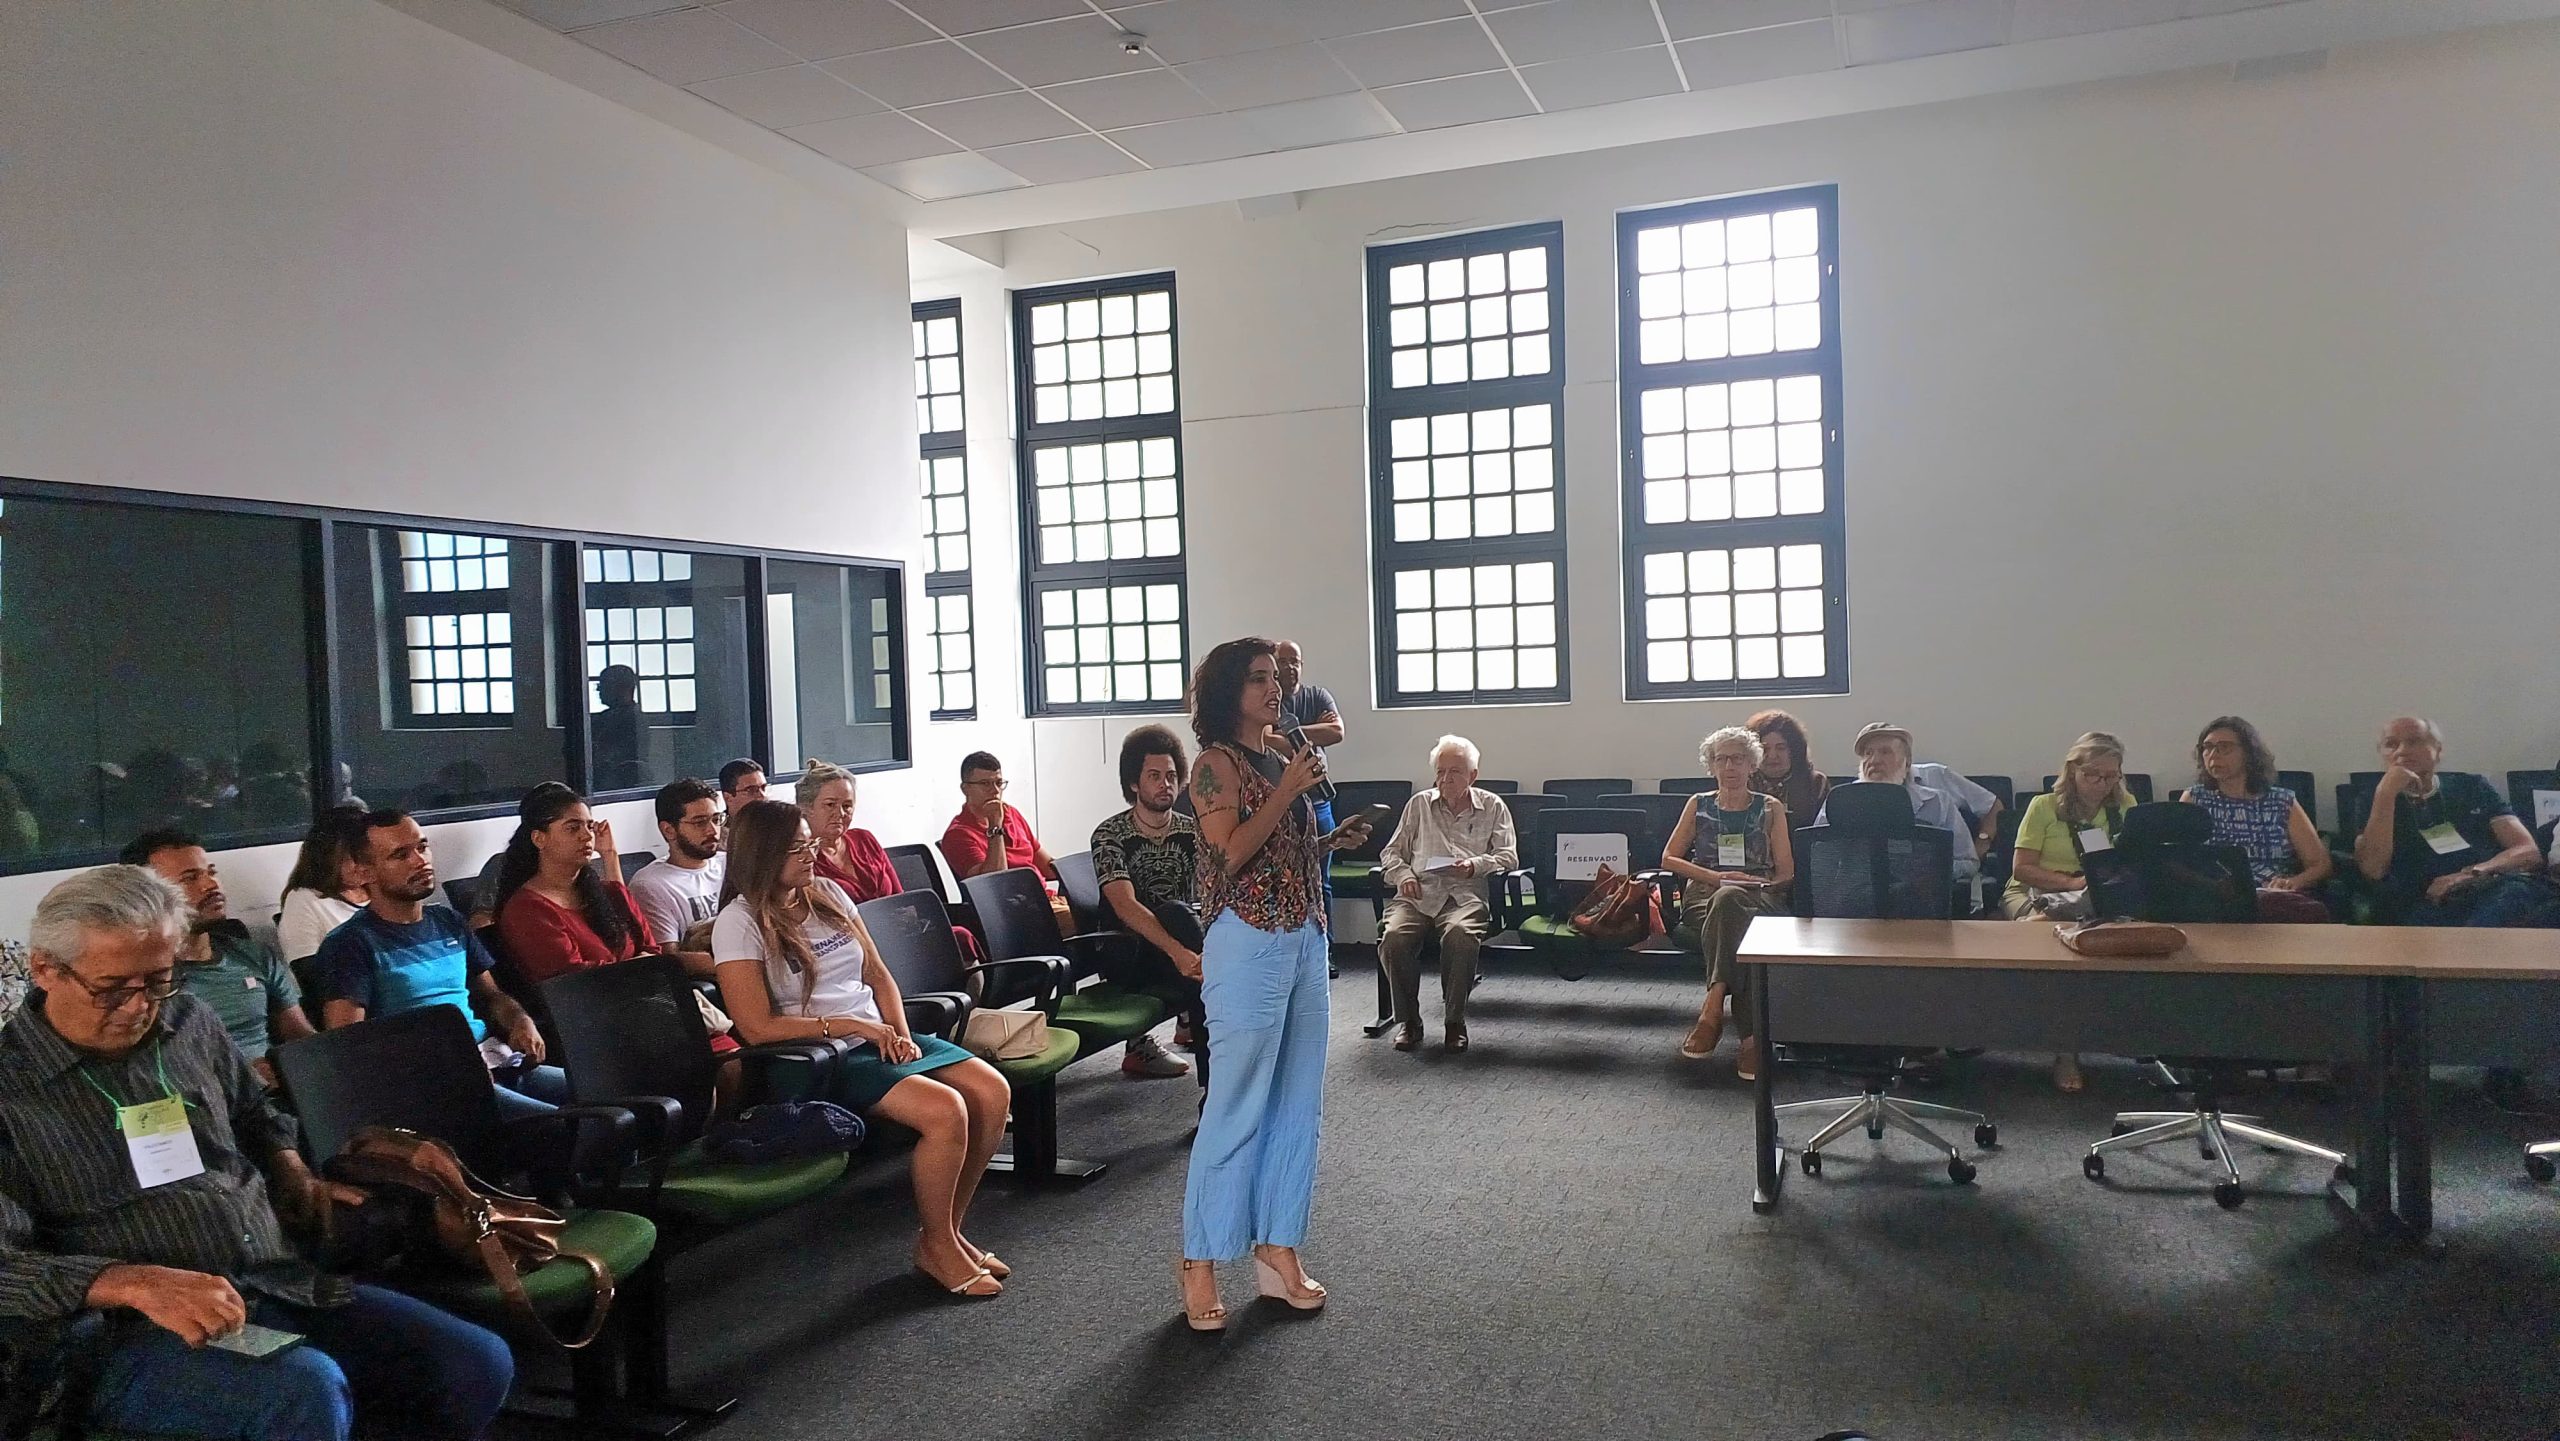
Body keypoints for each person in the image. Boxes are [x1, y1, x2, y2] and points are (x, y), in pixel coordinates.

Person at [0, 865, 514, 1441]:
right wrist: (131, 1282)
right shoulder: (10, 1088)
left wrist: (289, 1165)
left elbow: (253, 1111)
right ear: (45, 969)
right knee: (303, 1392)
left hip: (269, 1279)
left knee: (474, 1364)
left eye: (159, 980)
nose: (139, 1006)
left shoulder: (187, 1022)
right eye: (112, 988)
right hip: (123, 1334)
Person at [711, 800, 1011, 1297]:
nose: (811, 854)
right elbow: (757, 1027)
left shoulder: (828, 894)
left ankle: (946, 1234)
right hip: (814, 1058)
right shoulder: (738, 922)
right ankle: (939, 1246)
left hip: (872, 1038)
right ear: (762, 854)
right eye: (796, 847)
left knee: (992, 1091)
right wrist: (853, 1026)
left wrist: (899, 1032)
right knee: (946, 1110)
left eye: (810, 843)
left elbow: (877, 973)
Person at [1175, 637, 1374, 1332]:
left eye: (1276, 679)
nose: (1275, 689)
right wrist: (1288, 789)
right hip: (1246, 941)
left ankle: (1276, 1245)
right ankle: (1200, 1258)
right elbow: (1230, 853)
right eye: (1259, 679)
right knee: (1236, 1102)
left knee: (1297, 1102)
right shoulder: (1214, 765)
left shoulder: (1283, 749)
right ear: (1229, 691)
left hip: (1304, 935)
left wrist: (1326, 842)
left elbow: (1278, 849)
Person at [309, 811, 566, 1118]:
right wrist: (446, 1068)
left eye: (422, 847)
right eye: (400, 855)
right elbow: (348, 1044)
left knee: (605, 1097)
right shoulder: (350, 944)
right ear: (365, 872)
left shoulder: (448, 922)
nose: (420, 861)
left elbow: (492, 995)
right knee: (569, 1125)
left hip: (496, 1059)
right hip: (436, 1085)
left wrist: (520, 1020)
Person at [119, 830, 315, 1086]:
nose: (211, 885)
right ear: (147, 896)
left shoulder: (252, 956)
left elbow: (300, 1036)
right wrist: (241, 1077)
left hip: (280, 1091)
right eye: (190, 878)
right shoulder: (143, 982)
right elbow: (145, 1069)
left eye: (211, 872)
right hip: (201, 1094)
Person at [2002, 733, 2137, 1092]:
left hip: (2095, 895)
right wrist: (2072, 883)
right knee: (2059, 940)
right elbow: (2022, 869)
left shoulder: (2125, 807)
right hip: (2037, 891)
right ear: (2072, 770)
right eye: (2093, 774)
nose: (2102, 784)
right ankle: (2065, 1052)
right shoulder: (2044, 806)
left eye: (2111, 776)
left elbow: (2131, 860)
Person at [1375, 735, 1517, 1054]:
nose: (1445, 779)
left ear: (1473, 775)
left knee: (1460, 935)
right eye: (1440, 771)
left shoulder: (1493, 806)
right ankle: (1409, 1022)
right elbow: (1391, 853)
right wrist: (1403, 875)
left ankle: (1454, 1022)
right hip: (1418, 894)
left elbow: (1508, 856)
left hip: (1466, 896)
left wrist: (1474, 865)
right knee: (1394, 938)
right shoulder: (1419, 804)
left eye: (1454, 771)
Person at [1667, 727, 1795, 1079]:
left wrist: (1755, 884)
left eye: (1737, 758)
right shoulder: (1698, 804)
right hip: (1705, 896)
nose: (1729, 766)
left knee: (1732, 905)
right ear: (1710, 766)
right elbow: (1669, 858)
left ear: (1752, 764)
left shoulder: (1770, 808)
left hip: (1761, 898)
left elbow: (1786, 873)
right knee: (1729, 907)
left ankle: (1712, 1009)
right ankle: (1751, 1040)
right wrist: (1717, 878)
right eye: (1720, 759)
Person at [1088, 725, 1203, 1082]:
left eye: (1171, 776)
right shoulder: (1109, 834)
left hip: (1183, 947)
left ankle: (1214, 1076)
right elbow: (1124, 906)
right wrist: (1180, 953)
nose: (1165, 784)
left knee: (1194, 923)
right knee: (1177, 915)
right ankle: (1217, 1072)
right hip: (1128, 951)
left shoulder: (1191, 830)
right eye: (1154, 776)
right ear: (1134, 783)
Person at [2354, 716, 2548, 926]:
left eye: (2413, 741)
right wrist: (2386, 793)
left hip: (2486, 888)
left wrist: (2472, 873)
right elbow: (2373, 869)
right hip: (2422, 901)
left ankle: (2468, 944)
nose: (2401, 751)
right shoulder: (2372, 799)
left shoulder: (2472, 787)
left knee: (2517, 893)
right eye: (2391, 744)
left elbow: (2528, 850)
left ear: (2438, 751)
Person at [490, 784, 659, 985]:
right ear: (539, 839)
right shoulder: (526, 909)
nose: (587, 836)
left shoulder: (611, 892)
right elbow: (574, 980)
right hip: (591, 1003)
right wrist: (641, 968)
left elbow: (653, 950)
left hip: (650, 994)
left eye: (589, 826)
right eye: (572, 828)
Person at [2181, 716, 2334, 923]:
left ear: (2248, 753)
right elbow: (2177, 860)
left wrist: (2292, 882)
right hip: (2214, 894)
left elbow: (2320, 864)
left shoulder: (2281, 801)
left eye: (2224, 747)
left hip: (2272, 894)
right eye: (2207, 748)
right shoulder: (2195, 799)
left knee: (2306, 910)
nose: (2213, 755)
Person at [1818, 724, 1979, 884]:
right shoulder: (1839, 802)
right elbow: (1816, 859)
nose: (1874, 761)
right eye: (1868, 753)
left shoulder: (1937, 803)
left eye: (1885, 752)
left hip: (1918, 896)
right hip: (1855, 895)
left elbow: (1968, 862)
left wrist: (1933, 871)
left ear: (1907, 764)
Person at [1273, 640, 1345, 911]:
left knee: (1321, 881)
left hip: (1319, 802)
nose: (1290, 667)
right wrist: (1315, 730)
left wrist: (1290, 733)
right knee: (1285, 879)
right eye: (1283, 661)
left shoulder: (1317, 696)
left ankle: (1326, 938)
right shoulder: (1269, 702)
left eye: (1295, 662)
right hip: (1283, 806)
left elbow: (1336, 732)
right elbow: (1267, 740)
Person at [629, 777, 726, 977]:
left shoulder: (730, 863)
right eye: (699, 822)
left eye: (716, 819)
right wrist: (740, 961)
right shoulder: (651, 884)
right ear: (669, 830)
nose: (713, 830)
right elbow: (669, 958)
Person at [940, 752, 1057, 882]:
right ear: (965, 789)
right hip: (1012, 894)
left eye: (999, 783)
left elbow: (1048, 868)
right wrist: (995, 826)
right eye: (985, 784)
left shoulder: (1011, 813)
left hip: (1042, 892)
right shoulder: (957, 834)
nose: (995, 790)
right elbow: (995, 883)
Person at [797, 759, 903, 901]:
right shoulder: (803, 857)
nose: (840, 813)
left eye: (847, 806)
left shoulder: (864, 839)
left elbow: (900, 897)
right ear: (807, 807)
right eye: (830, 805)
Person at [277, 806, 369, 966]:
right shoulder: (304, 900)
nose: (364, 865)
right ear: (326, 857)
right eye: (354, 857)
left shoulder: (383, 889)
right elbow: (308, 973)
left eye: (368, 855)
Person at [1744, 708, 1829, 820]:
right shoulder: (1744, 783)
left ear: (1794, 750)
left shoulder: (1816, 782)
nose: (1773, 755)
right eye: (1765, 749)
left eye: (1781, 748)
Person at [590, 664, 646, 793]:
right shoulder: (607, 716)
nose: (599, 690)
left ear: (621, 688)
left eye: (603, 685)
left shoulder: (631, 719)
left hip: (617, 783)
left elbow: (611, 754)